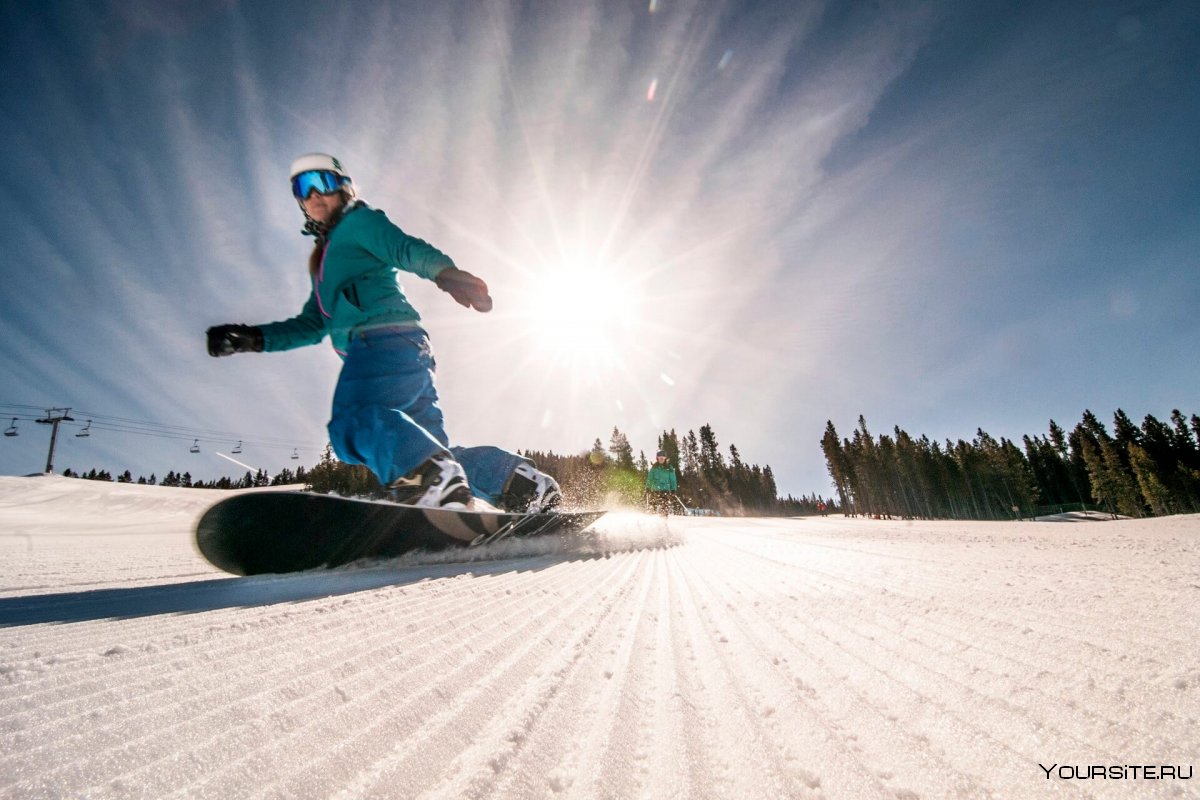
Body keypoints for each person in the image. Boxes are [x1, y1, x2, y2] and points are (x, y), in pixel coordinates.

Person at [206, 153, 561, 512]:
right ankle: (518, 484)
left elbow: (403, 248)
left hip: (380, 341)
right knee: (428, 451)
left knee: (353, 424)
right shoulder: (322, 263)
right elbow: (313, 324)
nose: (314, 194)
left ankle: (433, 485)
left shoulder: (358, 222)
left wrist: (446, 274)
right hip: (406, 348)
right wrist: (252, 338)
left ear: (344, 187)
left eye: (323, 182)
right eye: (302, 187)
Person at [644, 450, 678, 515]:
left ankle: (663, 521)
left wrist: (673, 489)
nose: (661, 458)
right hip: (655, 490)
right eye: (660, 457)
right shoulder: (654, 468)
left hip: (665, 491)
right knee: (652, 507)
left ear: (665, 458)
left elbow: (673, 480)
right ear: (657, 458)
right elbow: (650, 479)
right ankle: (650, 520)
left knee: (664, 508)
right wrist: (648, 487)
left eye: (663, 457)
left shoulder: (669, 468)